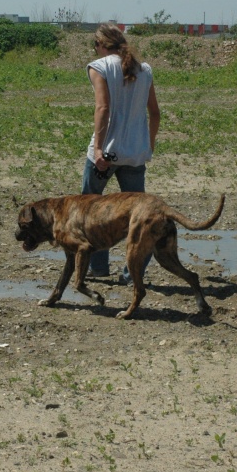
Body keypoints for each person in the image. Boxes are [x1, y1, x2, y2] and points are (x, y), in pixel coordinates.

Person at [82, 23, 160, 283]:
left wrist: (98, 149)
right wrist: (148, 144)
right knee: (140, 215)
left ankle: (98, 267)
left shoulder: (99, 67)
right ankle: (132, 274)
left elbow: (103, 108)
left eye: (95, 45)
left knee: (90, 209)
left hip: (107, 152)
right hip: (135, 153)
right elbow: (155, 113)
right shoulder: (144, 69)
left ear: (101, 45)